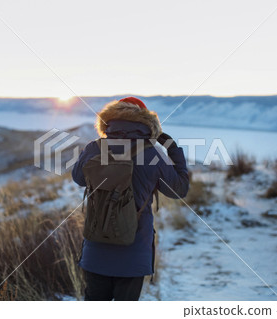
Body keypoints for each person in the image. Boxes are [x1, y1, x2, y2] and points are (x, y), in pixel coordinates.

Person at [71, 97, 189, 301]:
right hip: (134, 250)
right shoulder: (152, 153)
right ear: (146, 123)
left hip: (96, 250)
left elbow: (78, 178)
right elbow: (179, 190)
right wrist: (173, 150)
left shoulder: (95, 147)